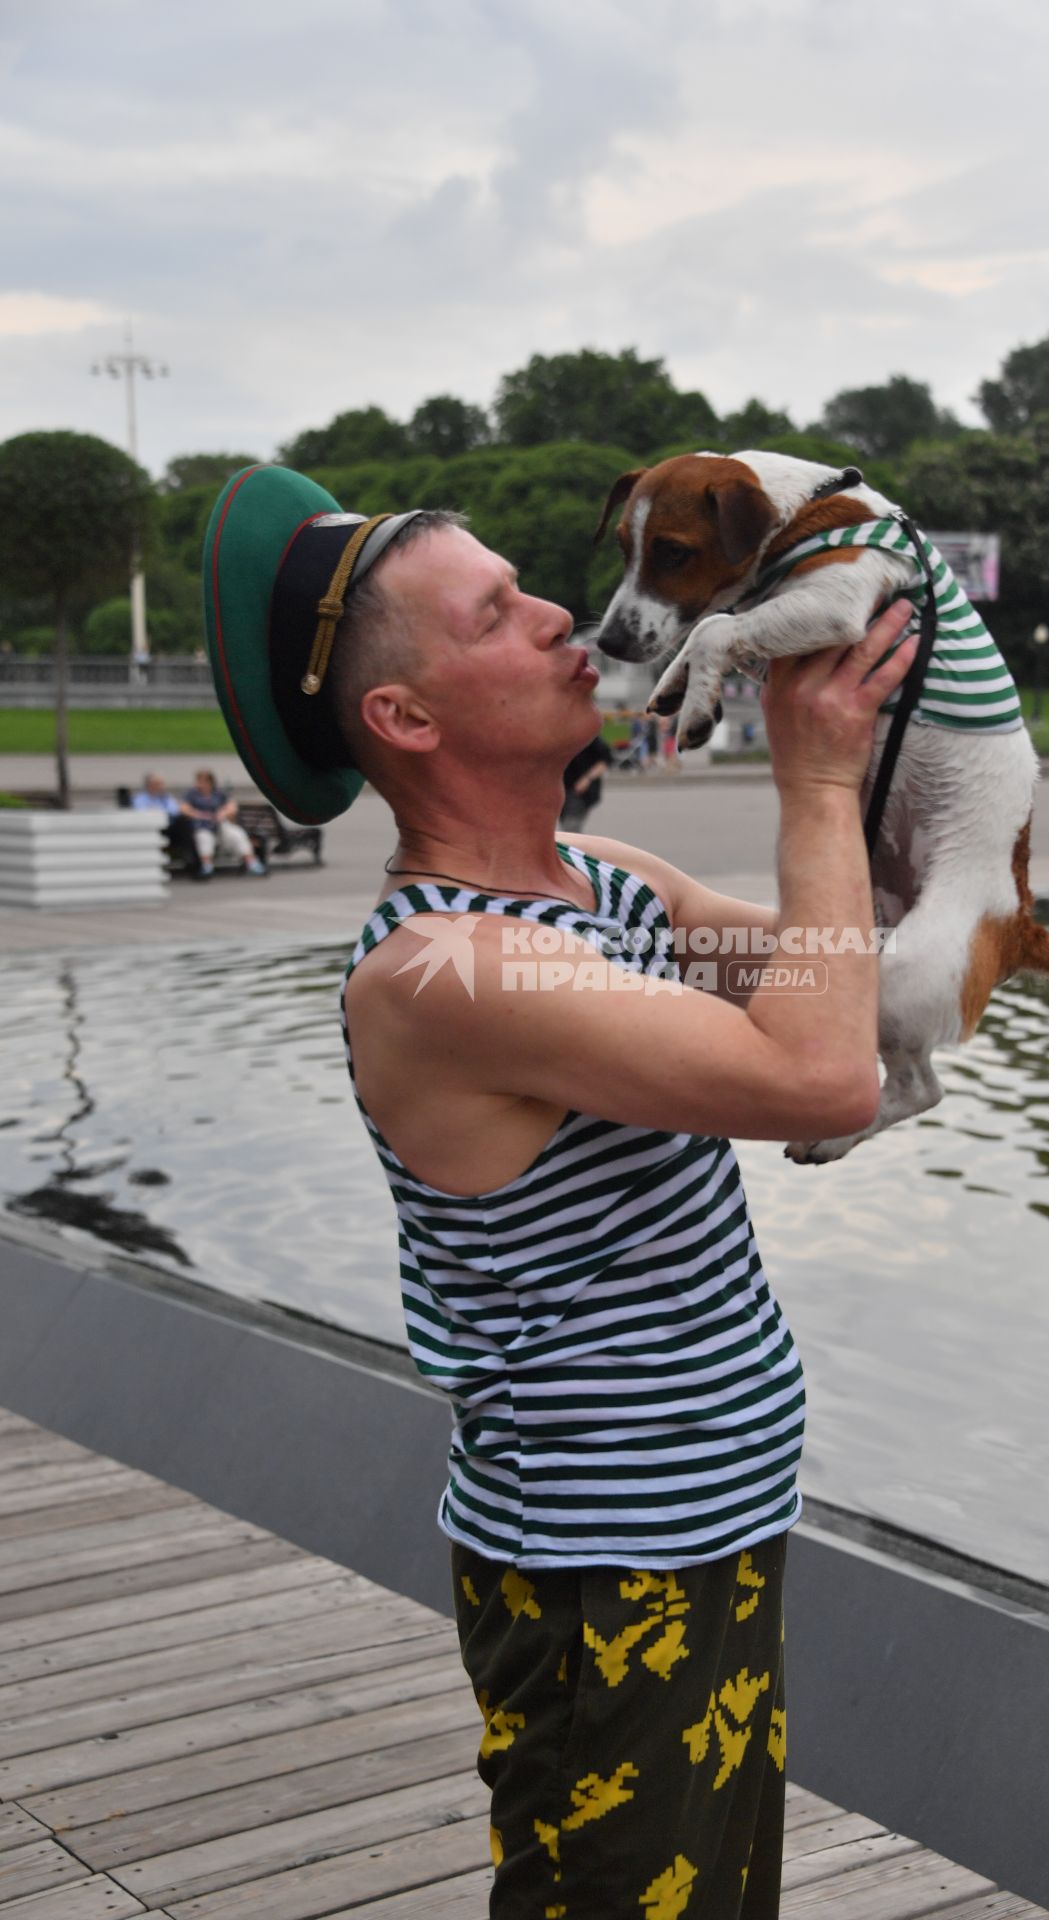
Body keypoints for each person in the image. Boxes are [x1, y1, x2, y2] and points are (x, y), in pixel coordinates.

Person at [201, 467, 916, 1920]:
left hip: (708, 1521)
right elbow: (825, 1078)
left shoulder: (604, 882)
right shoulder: (447, 969)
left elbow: (850, 974)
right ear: (406, 719)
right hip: (609, 1573)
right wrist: (816, 779)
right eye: (496, 611)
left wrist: (917, 764)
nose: (557, 615)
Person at [182, 768, 266, 878]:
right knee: (203, 837)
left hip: (220, 823)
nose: (200, 784)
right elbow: (183, 808)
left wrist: (223, 813)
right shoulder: (192, 794)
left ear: (210, 782)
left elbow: (232, 806)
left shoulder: (218, 793)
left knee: (236, 833)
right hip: (202, 825)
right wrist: (199, 815)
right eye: (199, 781)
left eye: (202, 781)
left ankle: (251, 862)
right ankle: (207, 865)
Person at [130, 771, 196, 867]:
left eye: (161, 784)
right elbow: (141, 813)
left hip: (169, 827)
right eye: (157, 784)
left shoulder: (166, 798)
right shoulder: (140, 799)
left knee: (184, 822)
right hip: (151, 829)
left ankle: (191, 858)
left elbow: (174, 811)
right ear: (149, 785)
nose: (160, 786)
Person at [559, 731, 612, 831]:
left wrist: (587, 779)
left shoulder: (587, 735)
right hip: (560, 790)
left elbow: (605, 760)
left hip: (579, 790)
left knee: (571, 829)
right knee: (566, 827)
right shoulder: (556, 735)